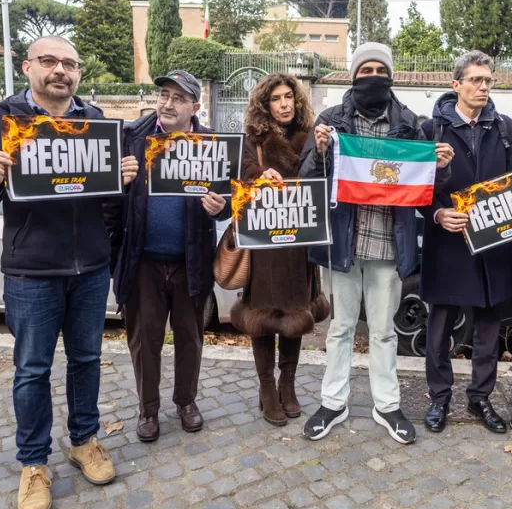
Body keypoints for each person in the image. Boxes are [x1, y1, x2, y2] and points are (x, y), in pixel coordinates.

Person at [0, 35, 138, 509]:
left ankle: (84, 440)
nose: (61, 70)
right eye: (50, 61)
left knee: (87, 360)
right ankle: (33, 464)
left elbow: (108, 200)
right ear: (28, 66)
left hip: (90, 269)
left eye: (70, 64)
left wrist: (123, 180)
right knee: (32, 370)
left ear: (78, 73)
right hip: (31, 272)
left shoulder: (96, 122)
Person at [298, 41, 452, 444]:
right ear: (353, 76)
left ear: (390, 76)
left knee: (384, 332)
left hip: (389, 245)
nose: (373, 77)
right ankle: (333, 402)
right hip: (343, 245)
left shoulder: (410, 124)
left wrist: (439, 168)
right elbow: (307, 179)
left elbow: (425, 189)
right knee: (340, 329)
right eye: (365, 71)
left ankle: (387, 405)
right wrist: (319, 152)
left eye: (380, 71)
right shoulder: (331, 120)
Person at [422, 51, 512, 434]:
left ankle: (480, 397)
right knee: (440, 327)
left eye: (488, 80)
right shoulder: (430, 129)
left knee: (489, 327)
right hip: (448, 243)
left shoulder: (504, 127)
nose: (483, 86)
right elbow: (415, 190)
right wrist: (439, 215)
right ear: (456, 84)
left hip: (493, 246)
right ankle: (439, 398)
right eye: (475, 79)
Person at [107, 70, 227, 442]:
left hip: (190, 260)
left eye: (178, 98)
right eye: (164, 95)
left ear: (195, 106)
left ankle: (186, 402)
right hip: (142, 261)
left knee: (190, 338)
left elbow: (227, 197)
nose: (168, 103)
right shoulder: (131, 138)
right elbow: (109, 200)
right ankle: (148, 409)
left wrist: (220, 207)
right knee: (145, 341)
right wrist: (120, 184)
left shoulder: (211, 144)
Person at [232, 73, 329, 425]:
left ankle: (287, 384)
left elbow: (324, 183)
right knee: (263, 318)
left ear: (297, 101)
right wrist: (258, 178)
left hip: (299, 244)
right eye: (276, 99)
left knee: (294, 316)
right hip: (265, 245)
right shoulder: (253, 140)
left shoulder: (311, 137)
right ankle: (266, 389)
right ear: (265, 104)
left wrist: (323, 153)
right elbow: (237, 182)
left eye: (289, 97)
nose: (284, 104)